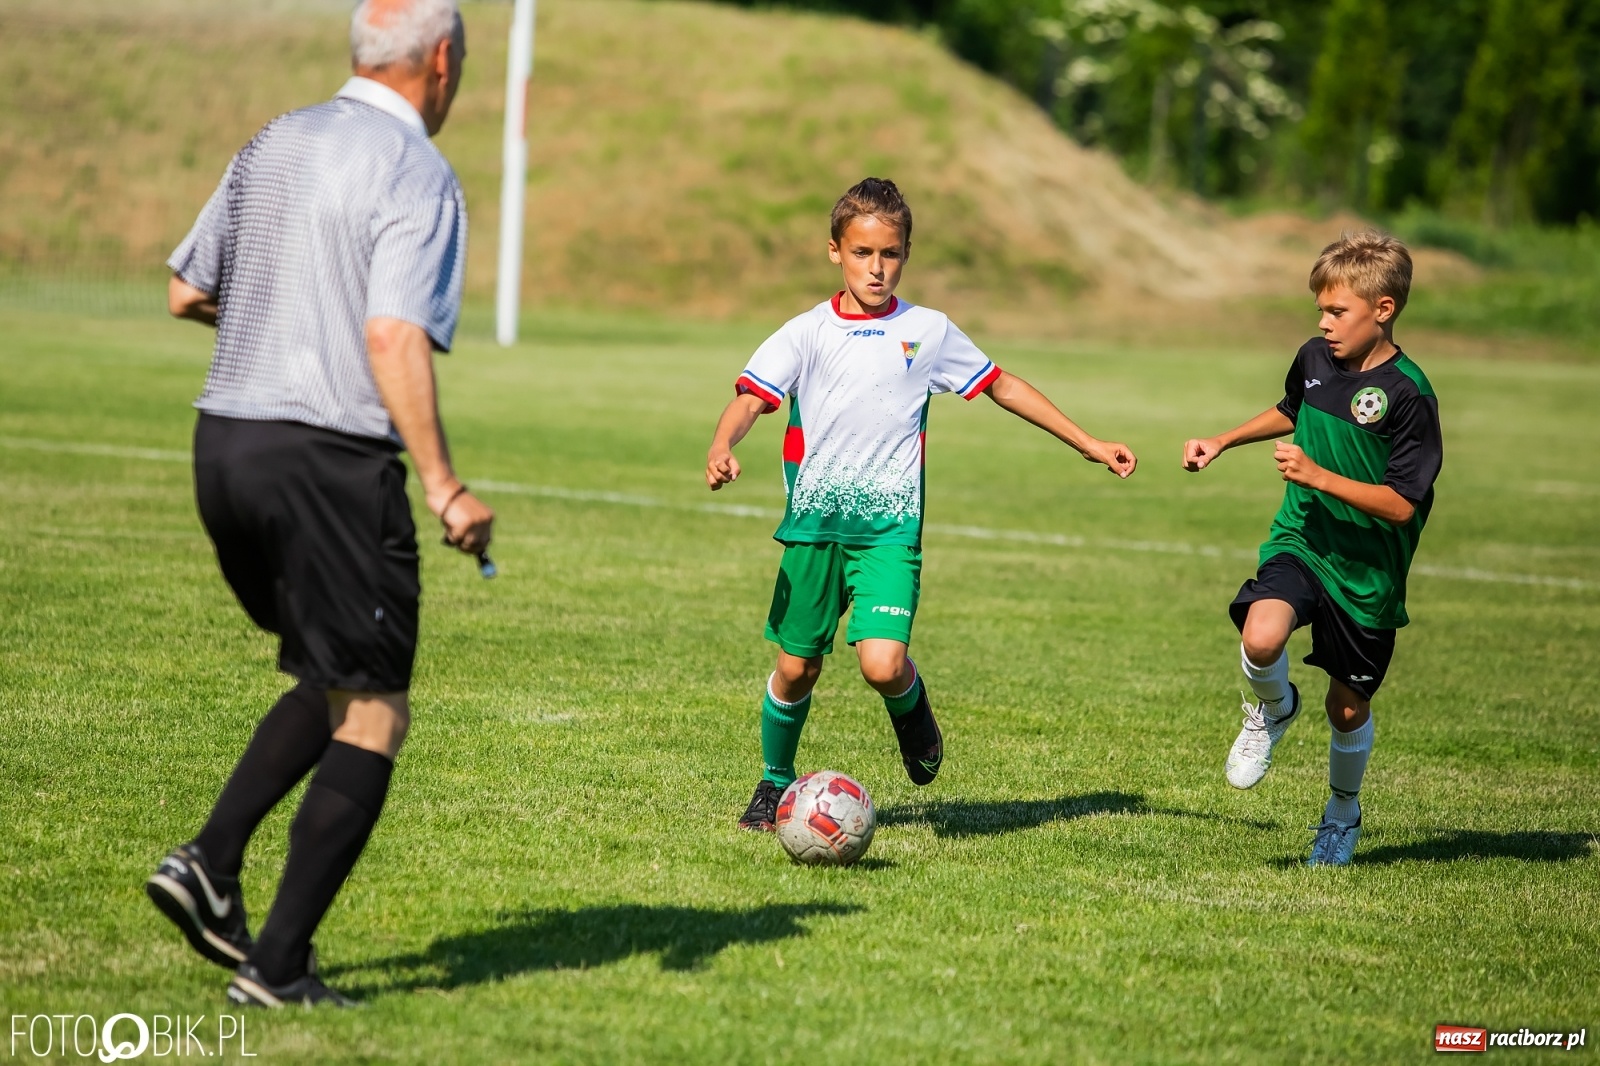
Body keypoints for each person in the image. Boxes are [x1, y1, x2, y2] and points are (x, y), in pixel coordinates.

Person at [146, 0, 492, 1007]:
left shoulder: (276, 138)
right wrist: (444, 483)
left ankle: (209, 863)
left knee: (332, 671)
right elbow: (391, 336)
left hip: (225, 446)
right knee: (377, 703)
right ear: (440, 60)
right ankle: (278, 966)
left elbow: (184, 290)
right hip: (329, 459)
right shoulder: (415, 170)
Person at [705, 178, 1138, 830]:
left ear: (906, 253)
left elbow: (1001, 385)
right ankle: (773, 783)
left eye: (891, 254)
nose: (876, 268)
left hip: (889, 531)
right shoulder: (805, 333)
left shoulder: (927, 330)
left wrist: (1087, 441)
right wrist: (722, 443)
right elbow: (750, 398)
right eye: (862, 253)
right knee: (796, 667)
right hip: (814, 529)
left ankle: (912, 712)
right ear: (835, 252)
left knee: (881, 663)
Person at [1182, 231, 1442, 867]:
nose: (1323, 324)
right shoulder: (1314, 358)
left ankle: (1341, 811)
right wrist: (1223, 439)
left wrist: (1318, 475)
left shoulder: (1409, 395)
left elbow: (1402, 504)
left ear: (1383, 310)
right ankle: (1273, 707)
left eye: (1337, 312)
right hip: (1304, 540)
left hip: (1367, 572)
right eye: (1320, 310)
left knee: (1347, 706)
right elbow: (1292, 408)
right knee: (1261, 637)